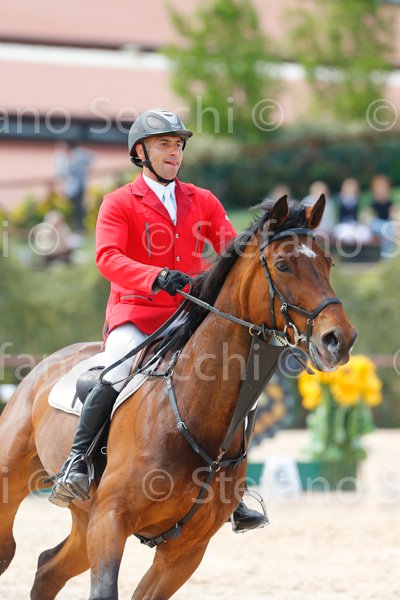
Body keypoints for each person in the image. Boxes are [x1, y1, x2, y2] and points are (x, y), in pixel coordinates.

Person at [50, 109, 267, 532]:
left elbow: (233, 252)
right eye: (164, 144)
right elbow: (107, 258)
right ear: (141, 152)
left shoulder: (202, 200)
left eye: (178, 145)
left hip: (190, 317)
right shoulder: (118, 202)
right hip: (136, 314)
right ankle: (78, 463)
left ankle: (232, 490)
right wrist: (155, 277)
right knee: (114, 373)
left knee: (243, 387)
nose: (174, 152)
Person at [369, 175, 398, 258]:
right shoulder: (374, 203)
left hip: (386, 224)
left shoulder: (389, 203)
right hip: (377, 225)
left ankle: (387, 254)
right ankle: (385, 255)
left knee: (388, 231)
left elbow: (394, 214)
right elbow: (370, 215)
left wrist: (395, 226)